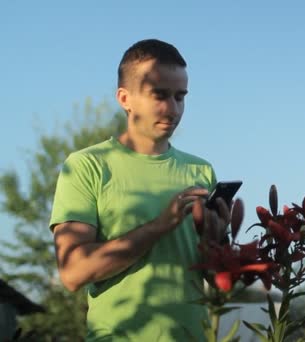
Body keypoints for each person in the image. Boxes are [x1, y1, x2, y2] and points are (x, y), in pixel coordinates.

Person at [50, 39, 228, 341]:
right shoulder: (86, 166)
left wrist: (216, 240)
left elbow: (214, 281)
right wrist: (160, 225)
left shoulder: (201, 171)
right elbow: (73, 272)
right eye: (159, 95)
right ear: (124, 98)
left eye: (180, 97)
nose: (172, 109)